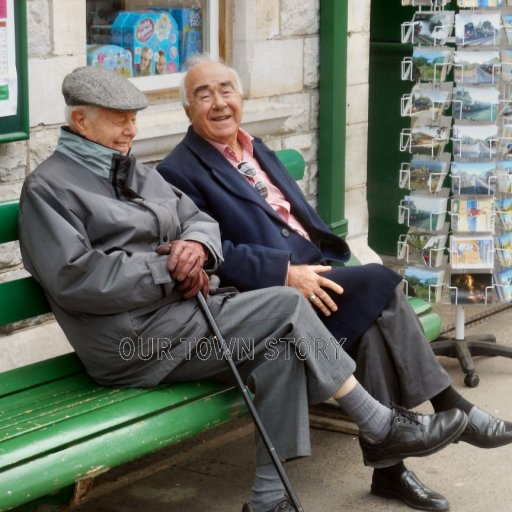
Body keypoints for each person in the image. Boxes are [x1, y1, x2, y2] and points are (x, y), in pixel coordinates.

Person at [17, 66, 468, 512]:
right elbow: (76, 279)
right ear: (81, 121)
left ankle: (270, 500)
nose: (132, 130)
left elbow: (199, 221)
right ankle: (380, 422)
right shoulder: (49, 189)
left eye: (135, 118)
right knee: (285, 305)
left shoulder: (132, 171)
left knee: (283, 353)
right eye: (120, 120)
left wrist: (196, 247)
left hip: (185, 323)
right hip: (134, 345)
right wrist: (168, 269)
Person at [156, 56, 512, 512]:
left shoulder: (255, 148)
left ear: (241, 98)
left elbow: (297, 216)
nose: (219, 102)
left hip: (318, 273)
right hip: (270, 301)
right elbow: (210, 249)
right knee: (381, 282)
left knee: (372, 322)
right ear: (188, 110)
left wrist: (317, 261)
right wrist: (283, 273)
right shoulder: (178, 171)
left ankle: (393, 468)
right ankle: (447, 411)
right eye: (203, 95)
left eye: (226, 90)